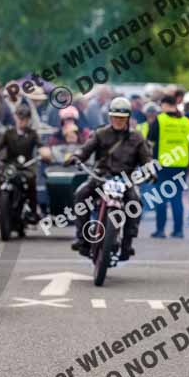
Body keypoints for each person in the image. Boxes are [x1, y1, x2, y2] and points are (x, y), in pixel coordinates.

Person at [66, 97, 153, 259]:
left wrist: (150, 171)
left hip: (125, 180)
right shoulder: (100, 133)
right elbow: (86, 149)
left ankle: (127, 244)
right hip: (101, 176)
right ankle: (82, 239)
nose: (118, 121)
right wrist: (76, 156)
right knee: (81, 194)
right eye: (115, 117)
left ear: (128, 118)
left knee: (136, 202)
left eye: (122, 118)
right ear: (110, 117)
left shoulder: (137, 138)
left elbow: (146, 160)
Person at [0, 105, 50, 224]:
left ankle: (33, 211)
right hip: (10, 166)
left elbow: (40, 145)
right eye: (19, 118)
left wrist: (45, 152)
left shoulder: (33, 133)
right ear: (15, 118)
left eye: (24, 118)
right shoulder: (9, 133)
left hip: (27, 166)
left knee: (31, 179)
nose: (21, 121)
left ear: (29, 119)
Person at [146, 95, 189, 238]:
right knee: (177, 198)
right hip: (181, 164)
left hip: (163, 164)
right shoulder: (186, 121)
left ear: (165, 105)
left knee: (161, 198)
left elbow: (150, 140)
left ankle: (160, 230)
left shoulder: (160, 120)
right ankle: (178, 231)